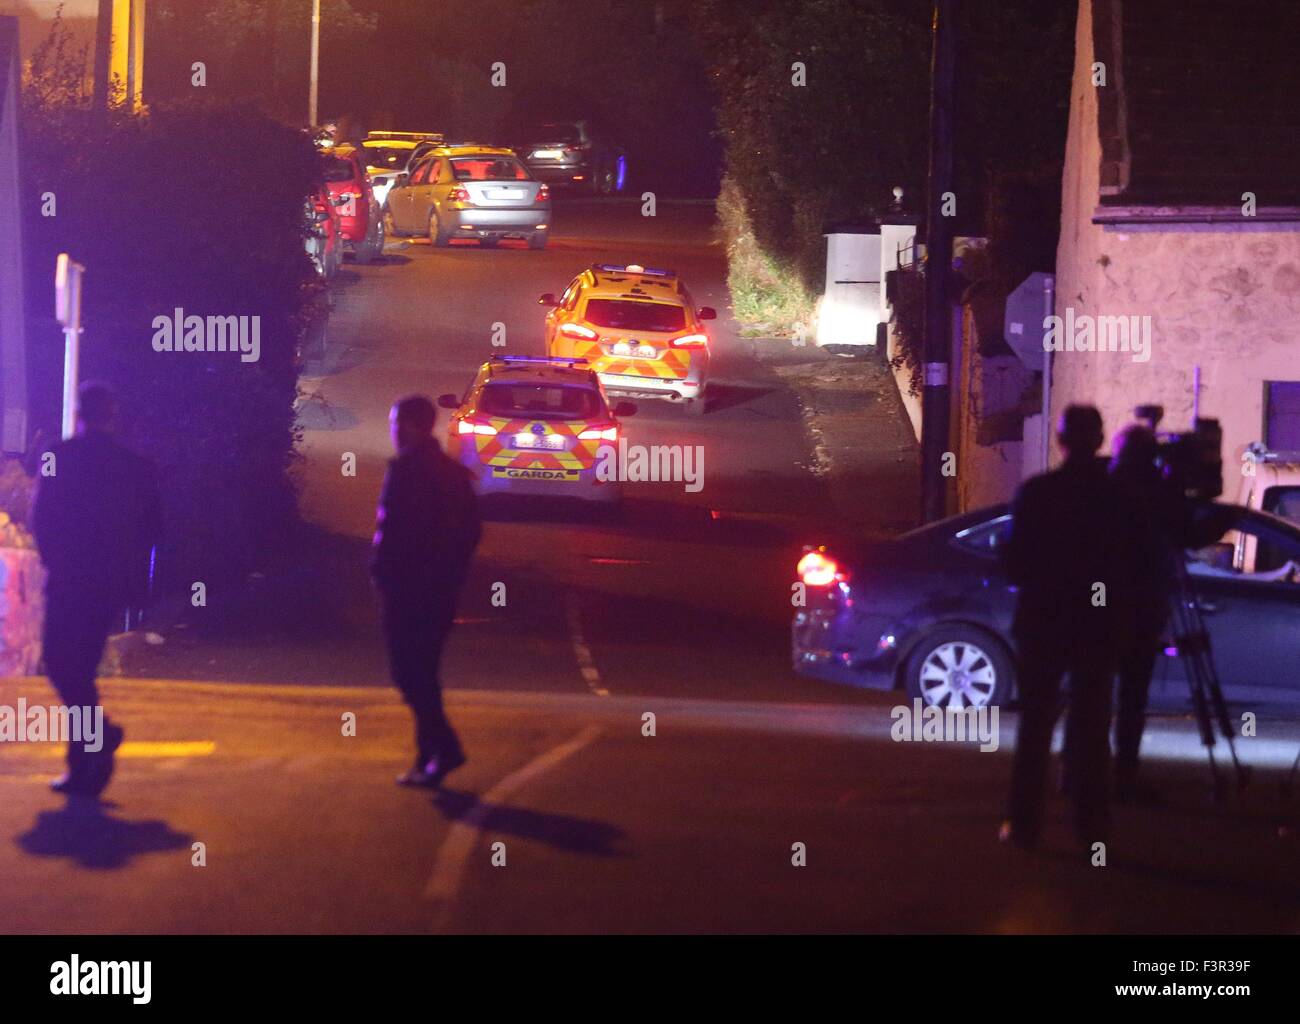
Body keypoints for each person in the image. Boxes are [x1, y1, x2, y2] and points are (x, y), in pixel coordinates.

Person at [1000, 405, 1134, 850]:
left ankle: (1024, 826)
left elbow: (1015, 563)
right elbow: (1129, 565)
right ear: (1098, 440)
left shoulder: (1039, 493)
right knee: (1092, 728)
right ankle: (1091, 826)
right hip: (1095, 625)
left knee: (1035, 726)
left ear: (1060, 442)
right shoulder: (1116, 498)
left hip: (1043, 621)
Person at [32, 381, 161, 797]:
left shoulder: (58, 456)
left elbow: (42, 517)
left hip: (69, 579)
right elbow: (152, 530)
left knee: (61, 663)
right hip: (105, 583)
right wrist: (138, 582)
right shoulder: (133, 465)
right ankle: (92, 746)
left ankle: (88, 752)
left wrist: (53, 561)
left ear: (80, 413)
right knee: (78, 668)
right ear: (111, 415)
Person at [1107, 422, 1234, 802]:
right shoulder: (1153, 496)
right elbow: (1185, 534)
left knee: (1093, 693)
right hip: (1141, 606)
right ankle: (1123, 779)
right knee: (1131, 697)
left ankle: (1077, 773)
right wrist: (1223, 519)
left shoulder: (1105, 489)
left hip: (1099, 609)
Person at [372, 395, 481, 788]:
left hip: (410, 590)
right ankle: (428, 757)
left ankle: (445, 748)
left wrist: (390, 573)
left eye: (400, 424)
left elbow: (397, 533)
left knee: (409, 672)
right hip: (436, 591)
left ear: (418, 426)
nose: (395, 432)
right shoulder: (451, 473)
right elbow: (469, 533)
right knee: (423, 672)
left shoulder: (408, 472)